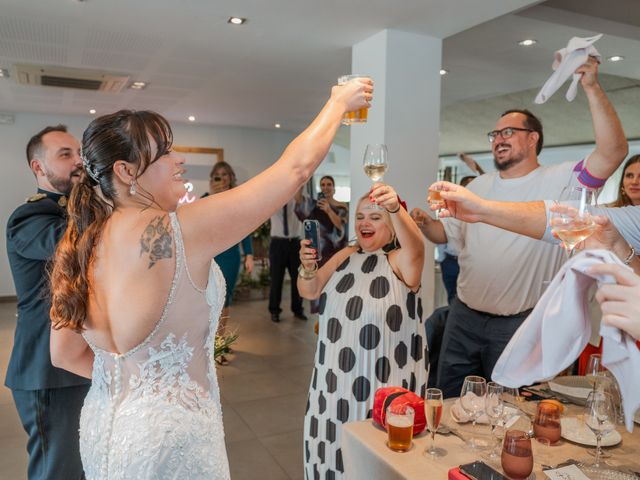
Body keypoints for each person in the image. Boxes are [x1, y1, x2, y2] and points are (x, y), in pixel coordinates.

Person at [47, 78, 373, 479]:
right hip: (173, 439)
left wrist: (143, 383)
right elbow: (294, 169)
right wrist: (339, 103)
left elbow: (64, 354)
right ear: (127, 170)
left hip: (104, 429)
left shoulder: (80, 242)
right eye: (165, 152)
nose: (178, 158)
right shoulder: (181, 228)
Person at [415, 56, 627, 398]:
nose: (498, 138)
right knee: (450, 399)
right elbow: (447, 237)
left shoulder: (563, 180)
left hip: (519, 325)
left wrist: (590, 86)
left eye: (508, 132)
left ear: (533, 139)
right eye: (495, 133)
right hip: (463, 317)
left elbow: (614, 151)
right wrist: (425, 223)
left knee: (511, 411)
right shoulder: (477, 186)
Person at [298, 184, 427, 479]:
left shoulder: (399, 262)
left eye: (375, 216)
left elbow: (417, 247)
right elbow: (311, 289)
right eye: (359, 216)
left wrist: (396, 208)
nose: (364, 223)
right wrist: (306, 268)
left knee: (371, 462)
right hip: (333, 385)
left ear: (393, 225)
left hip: (379, 386)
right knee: (333, 452)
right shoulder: (346, 255)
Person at [5, 125, 90, 479]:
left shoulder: (73, 210)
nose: (78, 161)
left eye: (78, 153)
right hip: (47, 371)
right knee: (58, 469)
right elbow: (78, 245)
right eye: (65, 154)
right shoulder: (31, 218)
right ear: (38, 168)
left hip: (79, 359)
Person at [202, 161, 254, 365]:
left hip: (231, 256)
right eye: (217, 175)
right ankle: (212, 345)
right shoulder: (204, 201)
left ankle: (218, 343)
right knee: (212, 301)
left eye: (225, 175)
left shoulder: (237, 200)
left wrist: (248, 254)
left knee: (226, 299)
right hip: (210, 256)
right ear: (212, 179)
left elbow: (245, 227)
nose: (222, 179)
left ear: (231, 178)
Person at [294, 175, 349, 266]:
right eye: (322, 185)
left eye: (329, 184)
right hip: (319, 251)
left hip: (337, 251)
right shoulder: (314, 205)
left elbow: (341, 226)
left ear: (333, 188)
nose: (325, 187)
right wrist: (301, 181)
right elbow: (298, 200)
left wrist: (328, 210)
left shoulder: (342, 206)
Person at [268, 196, 306, 323]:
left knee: (297, 279)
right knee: (276, 279)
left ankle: (297, 309)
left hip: (295, 243)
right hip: (277, 243)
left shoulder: (298, 198)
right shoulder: (274, 199)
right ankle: (274, 310)